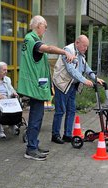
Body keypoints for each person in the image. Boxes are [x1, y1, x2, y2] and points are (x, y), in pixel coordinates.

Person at [17, 15, 76, 161]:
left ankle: (34, 144)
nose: (46, 29)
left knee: (37, 117)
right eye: (45, 26)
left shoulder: (30, 39)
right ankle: (31, 149)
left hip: (36, 86)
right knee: (36, 119)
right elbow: (48, 49)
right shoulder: (32, 40)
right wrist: (64, 52)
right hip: (35, 87)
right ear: (39, 25)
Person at [51, 35, 104, 144]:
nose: (86, 48)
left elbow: (87, 68)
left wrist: (96, 78)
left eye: (87, 46)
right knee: (60, 110)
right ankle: (55, 135)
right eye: (84, 46)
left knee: (71, 110)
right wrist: (84, 80)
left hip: (72, 85)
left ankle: (67, 135)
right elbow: (71, 70)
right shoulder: (68, 50)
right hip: (62, 83)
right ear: (77, 42)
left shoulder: (81, 55)